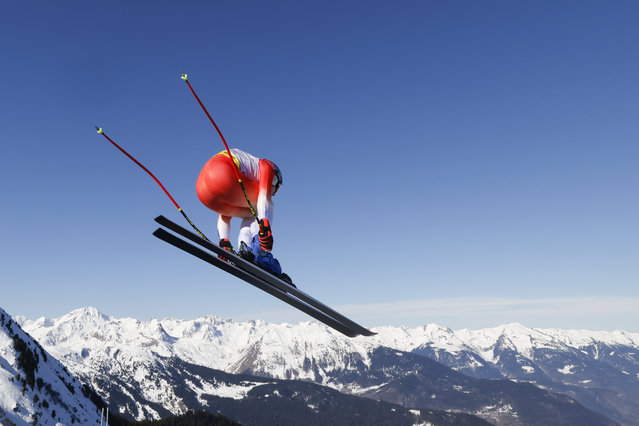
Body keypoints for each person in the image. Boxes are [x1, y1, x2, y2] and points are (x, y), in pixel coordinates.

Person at [196, 148, 285, 276]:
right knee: (263, 206)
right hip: (223, 173)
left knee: (250, 212)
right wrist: (265, 226)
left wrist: (224, 240)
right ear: (275, 180)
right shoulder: (267, 167)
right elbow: (264, 196)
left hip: (203, 191)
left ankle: (245, 250)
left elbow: (224, 215)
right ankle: (261, 253)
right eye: (276, 188)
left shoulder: (249, 169)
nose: (274, 193)